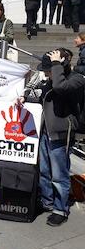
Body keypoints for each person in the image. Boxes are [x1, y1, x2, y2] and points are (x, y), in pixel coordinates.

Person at [19, 48, 85, 226]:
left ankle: (60, 210)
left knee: (59, 175)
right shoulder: (52, 79)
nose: (46, 73)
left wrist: (56, 65)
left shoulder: (77, 79)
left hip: (62, 134)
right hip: (46, 132)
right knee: (45, 171)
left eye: (49, 69)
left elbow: (60, 88)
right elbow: (44, 96)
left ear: (61, 66)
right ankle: (47, 203)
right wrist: (26, 99)